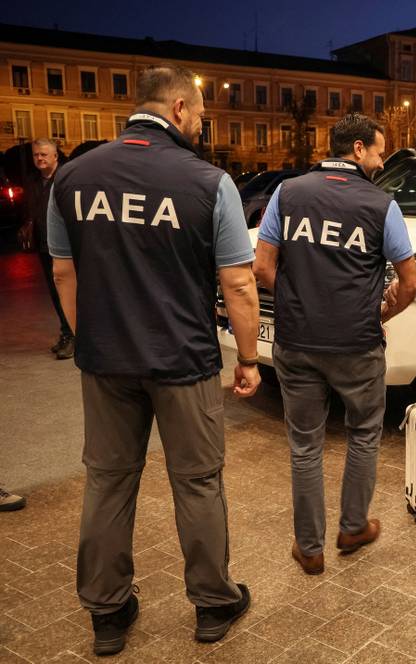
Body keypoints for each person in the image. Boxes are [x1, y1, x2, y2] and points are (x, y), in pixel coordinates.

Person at [48, 64, 259, 655]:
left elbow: (64, 269)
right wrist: (247, 359)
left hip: (106, 360)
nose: (201, 125)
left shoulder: (72, 176)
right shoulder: (209, 182)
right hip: (183, 358)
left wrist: (88, 336)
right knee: (196, 482)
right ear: (179, 110)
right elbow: (238, 284)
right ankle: (214, 604)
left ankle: (107, 614)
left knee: (109, 482)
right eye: (199, 115)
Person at [253, 113, 416, 576]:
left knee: (304, 445)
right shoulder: (381, 205)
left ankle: (309, 548)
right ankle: (351, 526)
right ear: (359, 149)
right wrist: (379, 313)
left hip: (297, 341)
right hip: (357, 345)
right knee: (364, 433)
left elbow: (262, 267)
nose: (382, 161)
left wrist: (294, 305)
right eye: (380, 151)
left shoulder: (288, 192)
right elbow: (409, 282)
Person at [20, 139, 74, 359]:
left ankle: (72, 335)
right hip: (44, 245)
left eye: (44, 154)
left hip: (66, 246)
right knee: (54, 292)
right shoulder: (32, 181)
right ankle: (67, 332)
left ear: (55, 156)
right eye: (36, 155)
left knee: (68, 289)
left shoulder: (66, 178)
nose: (39, 159)